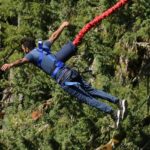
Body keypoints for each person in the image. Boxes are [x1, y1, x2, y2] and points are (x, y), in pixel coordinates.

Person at [0, 21, 127, 128]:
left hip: (63, 78)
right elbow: (54, 36)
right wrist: (62, 25)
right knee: (91, 90)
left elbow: (22, 61)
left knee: (87, 99)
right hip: (69, 71)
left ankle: (113, 113)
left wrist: (10, 65)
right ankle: (118, 101)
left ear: (26, 48)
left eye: (23, 49)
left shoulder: (31, 55)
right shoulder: (42, 47)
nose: (23, 52)